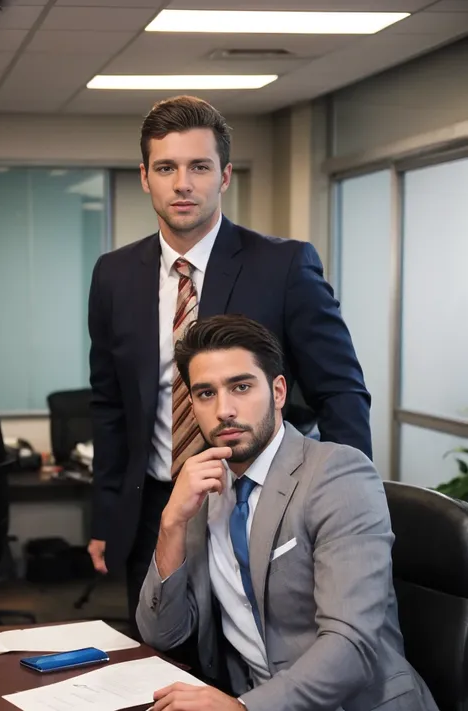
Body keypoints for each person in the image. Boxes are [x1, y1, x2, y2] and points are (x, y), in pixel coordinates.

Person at [87, 94, 372, 634]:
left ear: (225, 177)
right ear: (145, 177)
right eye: (166, 168)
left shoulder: (284, 264)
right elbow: (109, 404)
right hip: (156, 506)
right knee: (160, 655)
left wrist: (350, 500)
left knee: (263, 654)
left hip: (260, 502)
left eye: (199, 166)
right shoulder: (113, 275)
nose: (183, 183)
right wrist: (106, 515)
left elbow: (341, 392)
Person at [136, 314, 438, 711]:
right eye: (206, 393)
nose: (224, 409)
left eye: (241, 387)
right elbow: (163, 634)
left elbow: (351, 645)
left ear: (278, 392)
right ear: (191, 405)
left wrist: (243, 708)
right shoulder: (201, 486)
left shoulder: (337, 475)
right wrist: (171, 524)